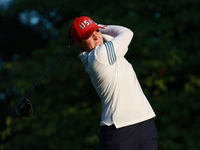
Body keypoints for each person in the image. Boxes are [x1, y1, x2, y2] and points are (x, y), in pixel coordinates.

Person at [69, 16, 159, 150]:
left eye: (96, 32)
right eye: (89, 35)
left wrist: (94, 27)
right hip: (119, 131)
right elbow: (126, 32)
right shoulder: (98, 56)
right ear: (79, 42)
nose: (96, 37)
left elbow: (115, 37)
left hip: (144, 122)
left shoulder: (107, 50)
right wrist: (99, 26)